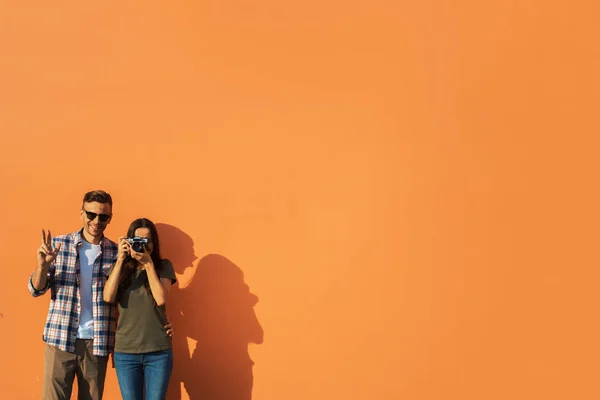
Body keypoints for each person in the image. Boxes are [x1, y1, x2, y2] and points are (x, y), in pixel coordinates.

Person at [28, 190, 118, 400]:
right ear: (81, 213)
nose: (96, 221)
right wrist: (42, 266)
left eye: (103, 216)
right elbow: (36, 289)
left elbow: (128, 297)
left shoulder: (115, 253)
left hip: (97, 343)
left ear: (109, 218)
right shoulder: (60, 246)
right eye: (91, 214)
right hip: (60, 339)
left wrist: (162, 322)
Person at [104, 218, 177, 400]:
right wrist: (121, 259)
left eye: (147, 240)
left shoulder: (163, 266)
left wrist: (148, 264)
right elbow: (108, 297)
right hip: (126, 351)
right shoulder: (120, 268)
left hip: (158, 351)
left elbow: (160, 298)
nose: (142, 245)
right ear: (128, 241)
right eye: (137, 240)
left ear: (154, 243)